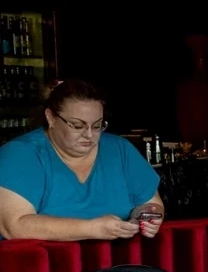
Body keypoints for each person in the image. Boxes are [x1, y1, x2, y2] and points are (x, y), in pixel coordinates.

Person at [0, 79, 164, 241]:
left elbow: (151, 203)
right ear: (51, 118)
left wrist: (147, 216)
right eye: (78, 126)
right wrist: (92, 229)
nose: (89, 135)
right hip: (45, 258)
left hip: (116, 257)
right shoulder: (20, 154)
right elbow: (14, 226)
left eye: (97, 126)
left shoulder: (120, 150)